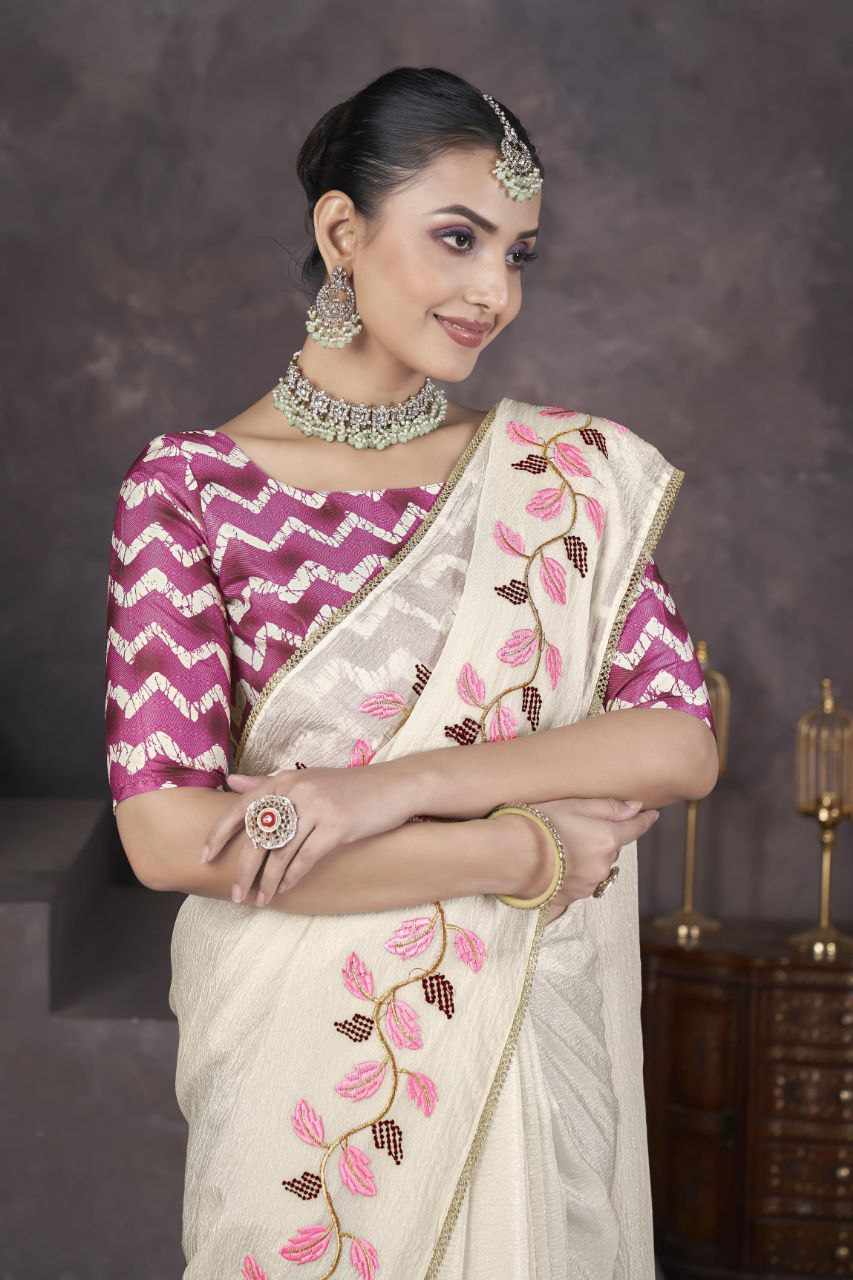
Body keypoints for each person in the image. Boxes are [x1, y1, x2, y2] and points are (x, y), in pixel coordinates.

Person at [104, 67, 718, 1280]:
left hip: (517, 1032)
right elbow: (171, 837)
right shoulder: (190, 487)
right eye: (457, 237)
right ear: (343, 232)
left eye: (517, 253)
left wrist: (384, 790)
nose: (494, 290)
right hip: (299, 1071)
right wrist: (516, 852)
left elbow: (677, 736)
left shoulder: (553, 477)